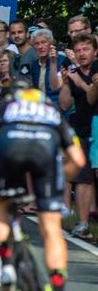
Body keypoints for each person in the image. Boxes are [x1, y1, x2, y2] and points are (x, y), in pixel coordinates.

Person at [0, 81, 86, 291]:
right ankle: (57, 278)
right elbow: (78, 160)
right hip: (45, 159)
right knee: (50, 227)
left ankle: (6, 264)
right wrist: (56, 177)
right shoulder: (51, 109)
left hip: (9, 155)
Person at [58, 32, 98, 237]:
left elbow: (92, 98)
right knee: (82, 177)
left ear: (95, 51)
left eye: (86, 49)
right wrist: (66, 82)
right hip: (81, 129)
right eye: (78, 50)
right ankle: (83, 223)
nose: (82, 54)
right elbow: (65, 104)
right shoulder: (73, 73)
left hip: (96, 126)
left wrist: (81, 83)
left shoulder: (97, 68)